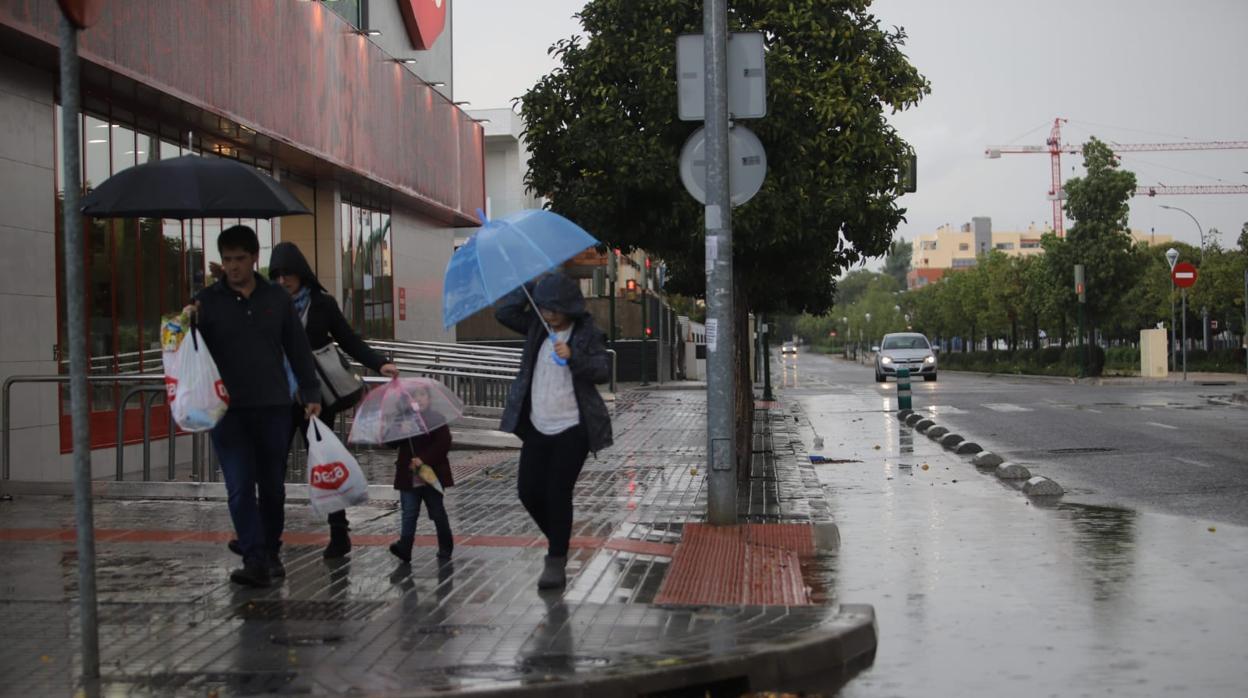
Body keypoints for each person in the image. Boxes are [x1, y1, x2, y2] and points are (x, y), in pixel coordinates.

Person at [189, 225, 321, 588]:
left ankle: (271, 550)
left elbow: (297, 348)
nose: (233, 267)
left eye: (240, 259)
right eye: (227, 259)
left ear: (254, 259)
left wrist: (310, 392)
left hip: (273, 406)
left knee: (272, 487)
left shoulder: (276, 299)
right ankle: (254, 556)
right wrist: (188, 322)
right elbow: (187, 350)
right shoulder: (207, 301)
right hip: (227, 411)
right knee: (239, 485)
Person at [265, 241, 399, 558]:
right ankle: (268, 541)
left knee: (324, 464)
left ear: (302, 274)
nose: (283, 281)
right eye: (277, 275)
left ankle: (339, 533)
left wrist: (378, 362)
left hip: (314, 400)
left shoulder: (322, 304)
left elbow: (348, 338)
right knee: (272, 470)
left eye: (289, 275)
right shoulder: (267, 303)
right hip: (277, 399)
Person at [495, 273, 612, 590]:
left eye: (554, 310)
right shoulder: (536, 327)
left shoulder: (586, 333)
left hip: (572, 428)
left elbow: (602, 370)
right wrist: (531, 287)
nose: (548, 315)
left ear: (570, 308)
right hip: (536, 425)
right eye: (544, 308)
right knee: (528, 491)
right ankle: (559, 540)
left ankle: (555, 560)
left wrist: (575, 357)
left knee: (557, 493)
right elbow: (503, 313)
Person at [387, 383, 455, 564]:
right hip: (408, 477)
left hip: (430, 475)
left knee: (437, 511)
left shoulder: (436, 418)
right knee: (409, 512)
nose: (418, 399)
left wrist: (424, 459)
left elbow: (443, 443)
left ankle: (445, 546)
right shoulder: (403, 419)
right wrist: (400, 431)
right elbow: (389, 443)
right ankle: (405, 547)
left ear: (429, 398)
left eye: (422, 395)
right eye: (414, 396)